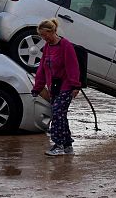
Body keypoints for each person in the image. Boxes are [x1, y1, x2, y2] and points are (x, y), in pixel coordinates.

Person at [31, 18, 81, 156]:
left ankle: (58, 144)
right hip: (53, 87)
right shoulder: (47, 47)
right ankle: (67, 146)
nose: (43, 38)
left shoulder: (65, 45)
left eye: (45, 35)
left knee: (58, 114)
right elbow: (42, 68)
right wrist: (37, 87)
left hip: (66, 86)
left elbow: (73, 67)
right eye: (41, 35)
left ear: (52, 31)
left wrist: (76, 86)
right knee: (61, 116)